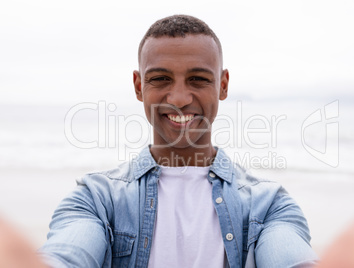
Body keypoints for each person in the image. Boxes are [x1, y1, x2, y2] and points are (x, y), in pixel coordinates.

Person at [36, 15, 317, 267]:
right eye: (160, 79)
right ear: (138, 87)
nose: (180, 98)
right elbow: (65, 256)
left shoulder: (268, 205)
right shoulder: (97, 199)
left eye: (198, 79)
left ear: (223, 85)